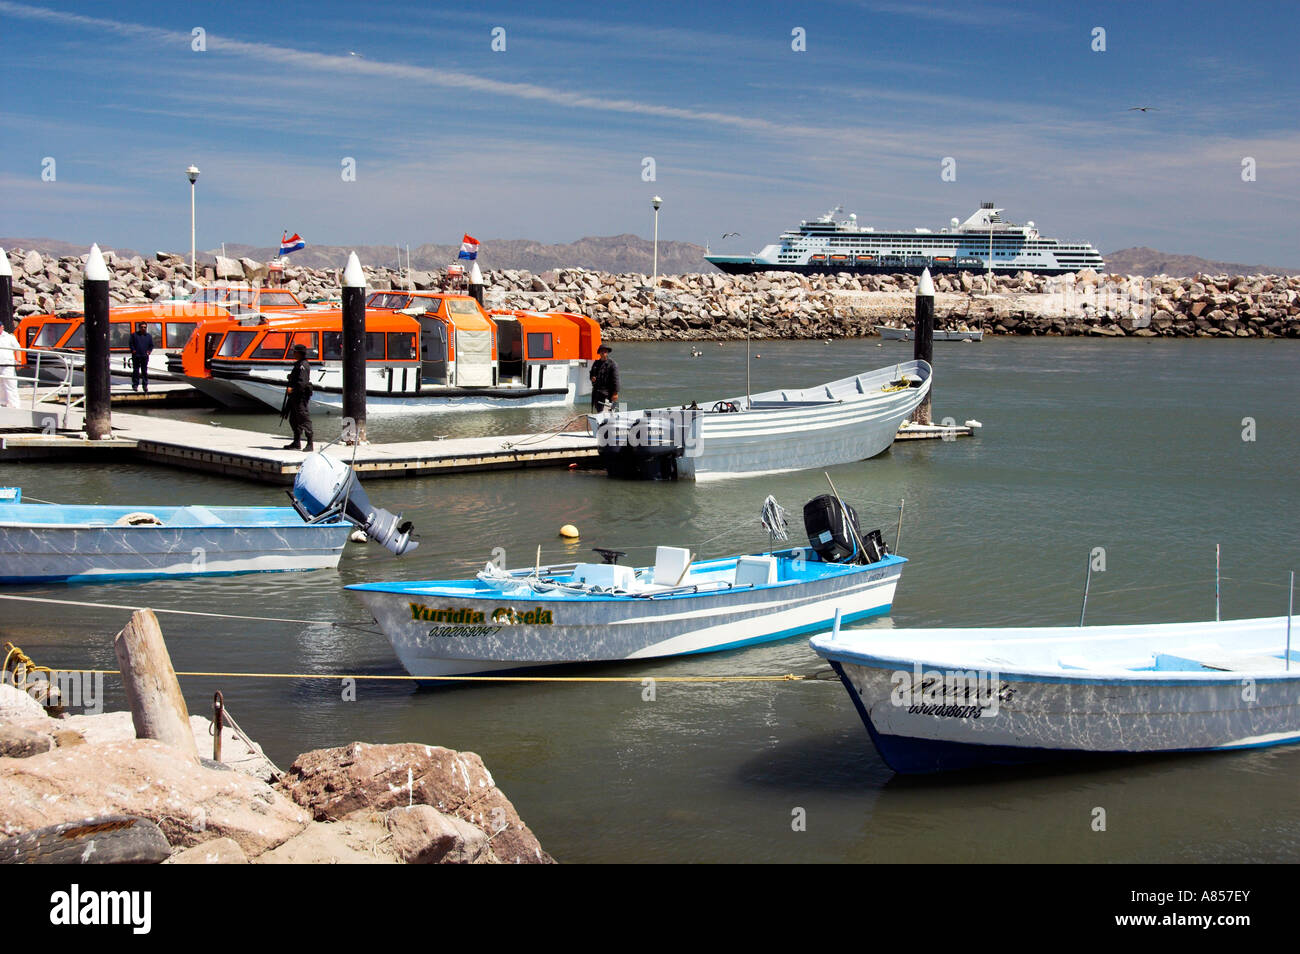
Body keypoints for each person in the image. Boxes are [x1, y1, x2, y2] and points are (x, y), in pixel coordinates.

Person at [283, 343, 314, 452]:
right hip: (295, 397)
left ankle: (310, 443)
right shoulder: (298, 364)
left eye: (294, 352)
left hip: (300, 396)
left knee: (303, 418)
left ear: (299, 353)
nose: (293, 353)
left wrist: (293, 390)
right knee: (293, 419)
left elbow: (302, 383)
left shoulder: (303, 365)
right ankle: (296, 442)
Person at [589, 344, 620, 412]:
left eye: (605, 351)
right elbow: (591, 373)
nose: (603, 353)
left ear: (607, 353)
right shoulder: (596, 363)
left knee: (608, 412)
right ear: (599, 353)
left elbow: (616, 379)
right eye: (602, 351)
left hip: (608, 394)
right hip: (597, 393)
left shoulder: (612, 364)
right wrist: (592, 378)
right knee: (599, 411)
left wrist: (615, 393)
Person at [129, 322, 154, 393]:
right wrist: (133, 351)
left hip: (144, 356)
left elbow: (151, 345)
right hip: (136, 356)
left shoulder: (148, 336)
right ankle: (135, 385)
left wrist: (148, 352)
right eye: (142, 327)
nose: (143, 328)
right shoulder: (134, 335)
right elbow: (131, 344)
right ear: (139, 327)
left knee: (144, 371)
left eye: (145, 327)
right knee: (136, 371)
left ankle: (145, 385)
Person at [0, 322, 19, 409]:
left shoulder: (9, 337)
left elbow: (17, 349)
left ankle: (14, 404)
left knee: (10, 384)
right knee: (1, 385)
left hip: (7, 364)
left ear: (2, 327)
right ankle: (3, 402)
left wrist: (18, 361)